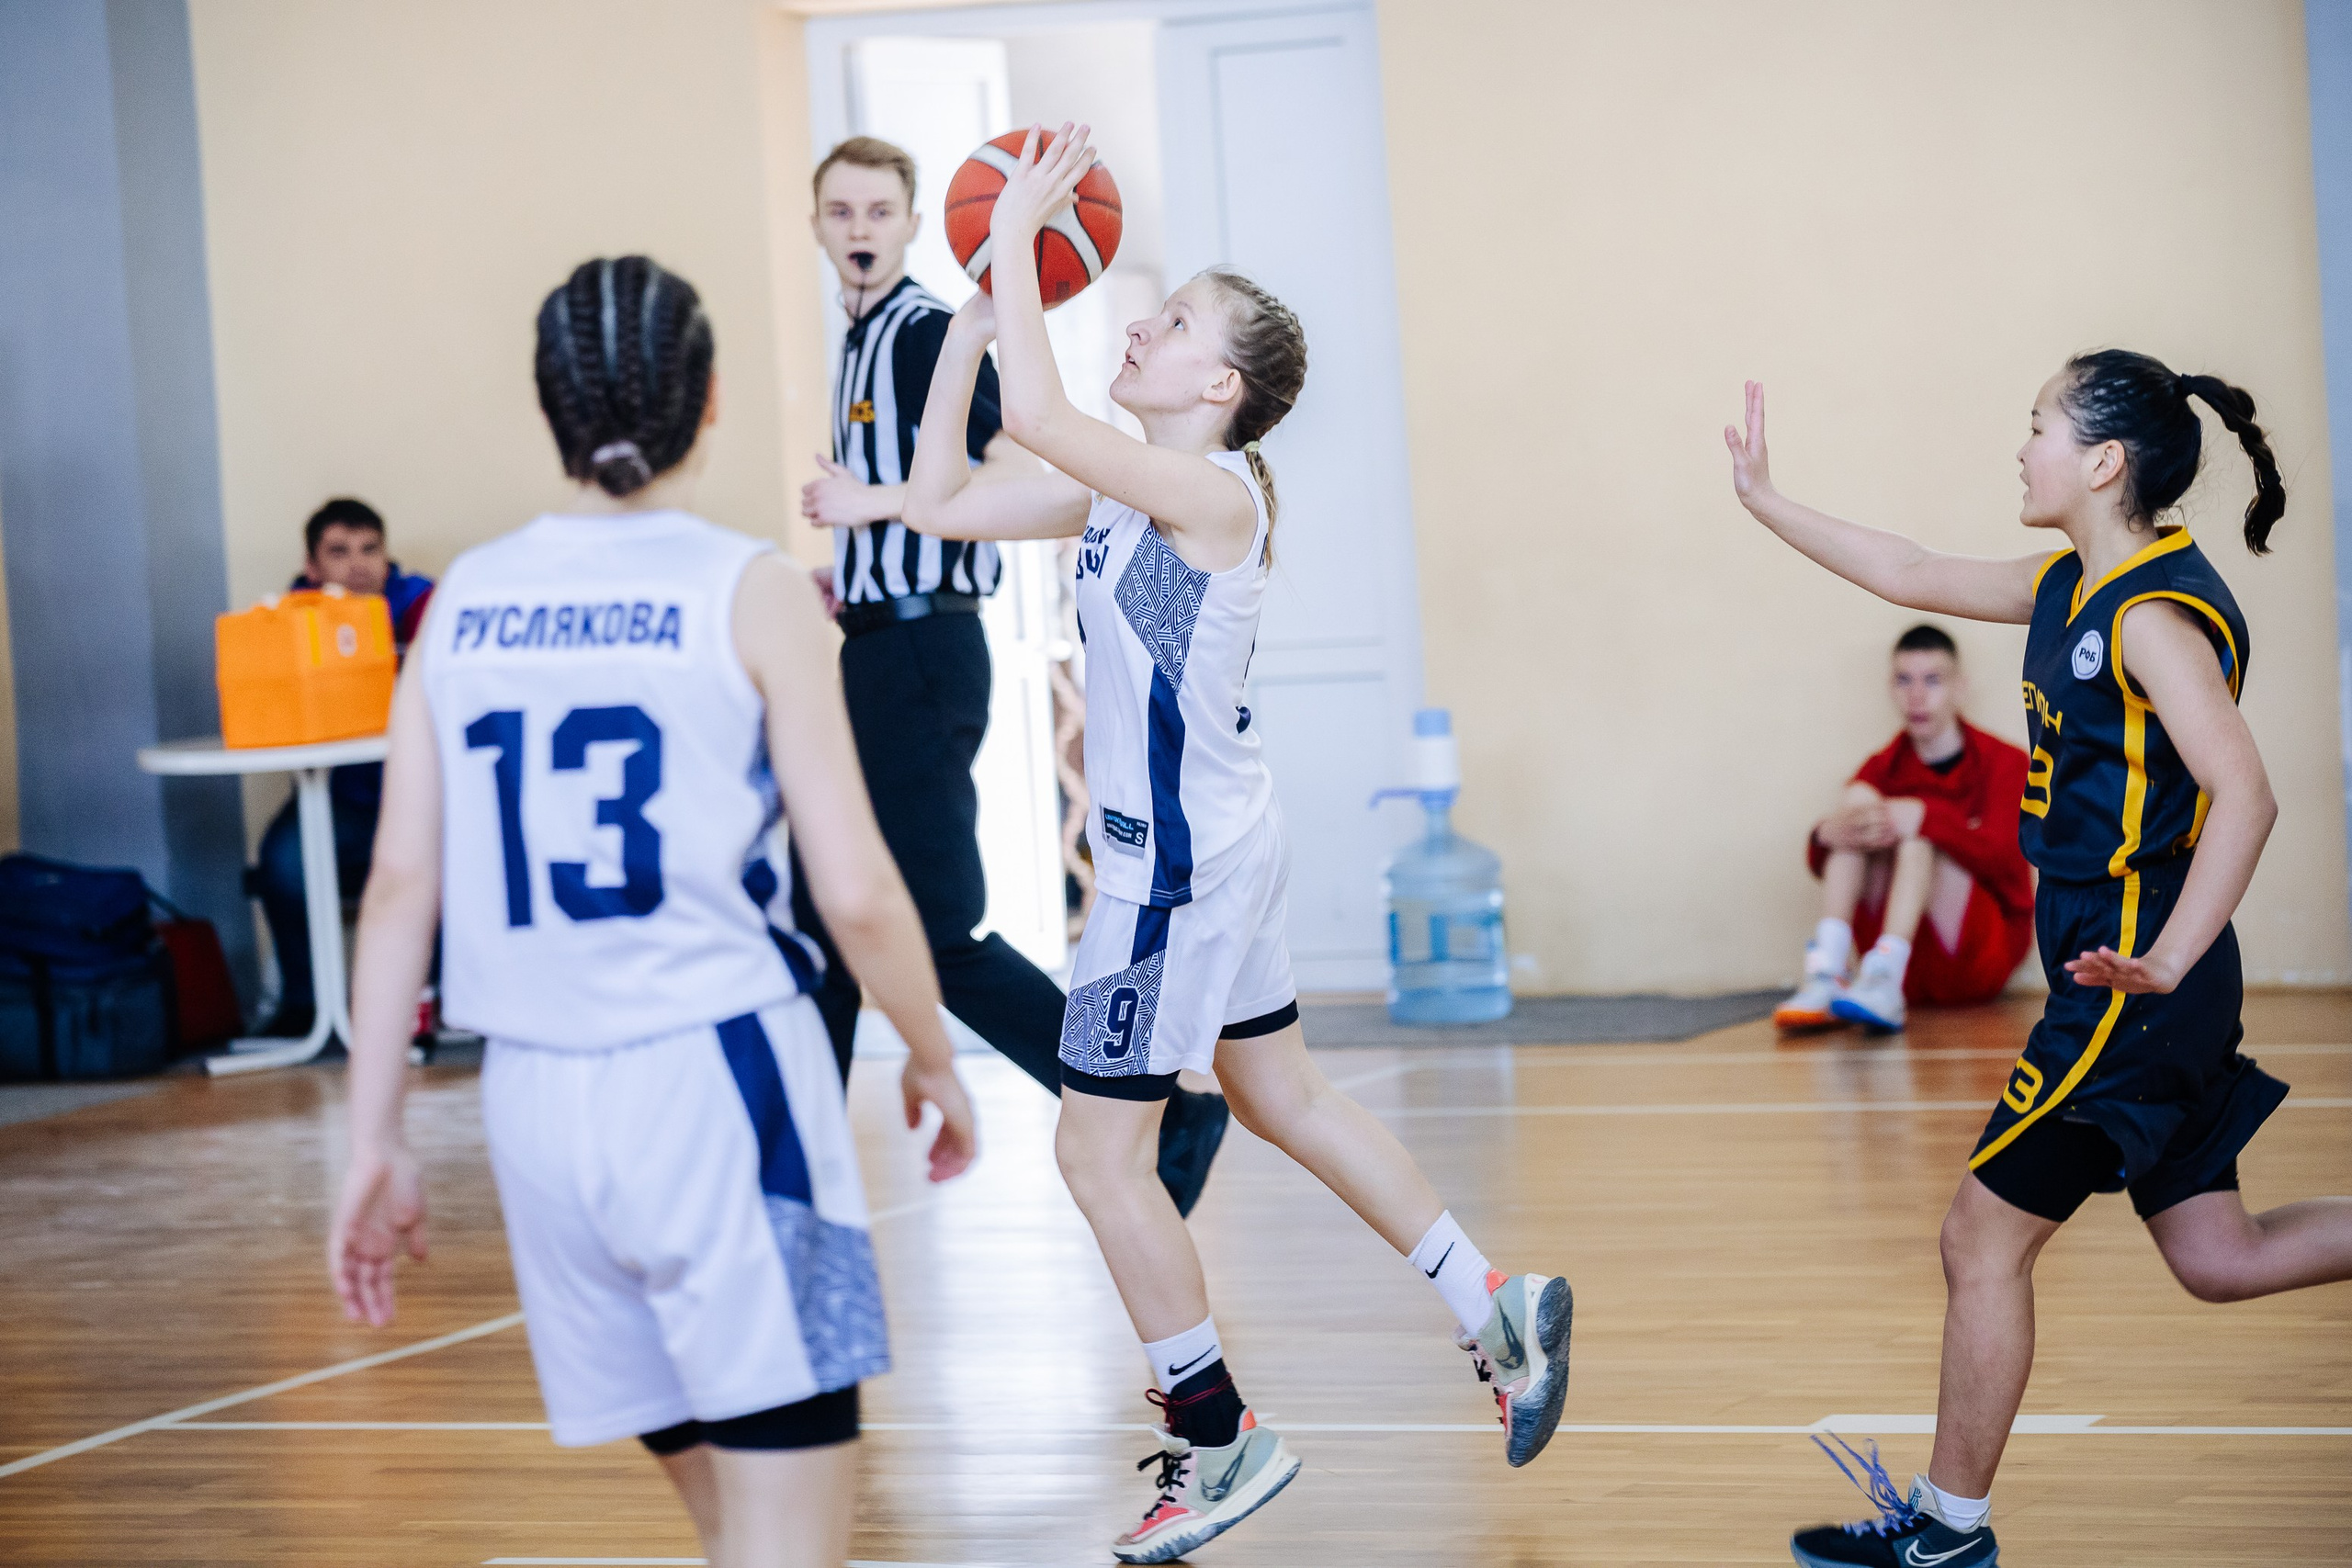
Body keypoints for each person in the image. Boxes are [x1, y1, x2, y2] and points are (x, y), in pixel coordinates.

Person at [902, 126, 1575, 1563]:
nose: (1139, 323)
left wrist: (1020, 244)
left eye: (1174, 319)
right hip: (1216, 850)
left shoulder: (1209, 496)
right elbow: (941, 498)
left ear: (1220, 386)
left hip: (1171, 875)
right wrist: (969, 314)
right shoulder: (1127, 487)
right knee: (1284, 1097)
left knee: (1096, 1156)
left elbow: (1036, 410)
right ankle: (1494, 1299)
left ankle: (1219, 1436)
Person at [326, 256, 977, 1568]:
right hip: (724, 1082)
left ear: (547, 402)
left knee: (731, 1522)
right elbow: (852, 885)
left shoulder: (459, 605)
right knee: (792, 1532)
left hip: (534, 1110)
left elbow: (399, 885)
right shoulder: (752, 587)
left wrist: (374, 1133)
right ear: (714, 398)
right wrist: (933, 1048)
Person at [1726, 355, 2352, 1568]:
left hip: (2133, 970)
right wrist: (1768, 499)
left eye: (2039, 428)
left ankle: (1949, 1528)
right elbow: (1906, 568)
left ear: (2104, 461)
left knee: (1979, 1236)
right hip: (2127, 965)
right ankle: (1948, 1523)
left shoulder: (2154, 614)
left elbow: (2249, 795)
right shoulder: (2075, 580)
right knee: (2221, 1258)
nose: (2022, 450)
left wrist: (2166, 958)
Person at [794, 134, 1229, 1215]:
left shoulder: (919, 333)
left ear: (912, 226)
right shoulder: (855, 340)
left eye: (876, 213)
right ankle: (797, 1145)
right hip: (878, 639)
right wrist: (851, 572)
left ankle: (1166, 1116)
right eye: (839, 212)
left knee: (934, 928)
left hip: (925, 650)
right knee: (833, 908)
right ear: (817, 227)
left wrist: (871, 508)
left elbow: (999, 466)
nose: (858, 230)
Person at [1775, 625, 2034, 1033]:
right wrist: (1825, 834)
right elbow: (1825, 856)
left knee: (1916, 841)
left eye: (1932, 680)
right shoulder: (1882, 766)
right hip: (1907, 971)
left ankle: (1882, 976)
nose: (1917, 696)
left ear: (1959, 688)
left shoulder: (2007, 762)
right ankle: (1828, 971)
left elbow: (2009, 865)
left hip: (1976, 960)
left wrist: (1925, 817)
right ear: (1890, 688)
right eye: (1904, 680)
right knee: (1857, 809)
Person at [249, 498, 437, 1036]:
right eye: (339, 552)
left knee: (466, 853)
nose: (358, 564)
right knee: (283, 863)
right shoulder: (291, 618)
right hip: (342, 804)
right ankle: (306, 1008)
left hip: (421, 799)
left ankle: (440, 1001)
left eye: (370, 549)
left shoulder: (422, 603)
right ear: (312, 567)